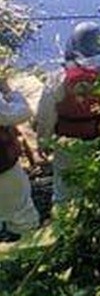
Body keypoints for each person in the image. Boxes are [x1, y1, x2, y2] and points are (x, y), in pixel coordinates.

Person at [35, 22, 100, 204]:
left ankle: (65, 222)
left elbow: (46, 116)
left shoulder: (60, 76)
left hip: (69, 144)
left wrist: (43, 142)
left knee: (65, 190)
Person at [0, 76, 40, 241]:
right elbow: (19, 113)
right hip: (3, 164)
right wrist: (10, 93)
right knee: (20, 209)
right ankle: (29, 249)